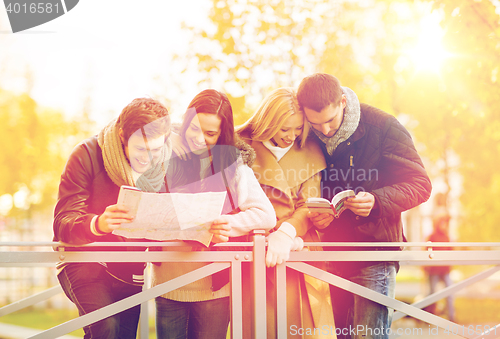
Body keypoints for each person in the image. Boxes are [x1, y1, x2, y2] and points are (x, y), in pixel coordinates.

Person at [297, 73, 432, 339]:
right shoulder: (306, 134)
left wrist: (377, 200)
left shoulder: (383, 126)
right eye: (316, 123)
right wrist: (319, 217)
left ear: (343, 102)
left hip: (375, 255)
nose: (324, 130)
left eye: (330, 120)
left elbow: (421, 184)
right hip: (332, 256)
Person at [152, 89, 276, 339]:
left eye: (210, 133)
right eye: (194, 128)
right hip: (168, 281)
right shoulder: (161, 155)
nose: (199, 138)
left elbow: (266, 214)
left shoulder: (234, 167)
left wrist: (229, 223)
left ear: (222, 134)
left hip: (214, 287)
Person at [53, 98, 172, 338]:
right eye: (140, 149)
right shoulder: (85, 154)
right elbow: (62, 222)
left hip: (131, 270)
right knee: (105, 330)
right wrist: (98, 224)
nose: (148, 158)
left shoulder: (165, 166)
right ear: (121, 136)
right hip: (85, 264)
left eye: (156, 150)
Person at [237, 87, 335, 338]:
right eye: (284, 128)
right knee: (261, 326)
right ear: (268, 122)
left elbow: (308, 205)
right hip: (254, 248)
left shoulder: (311, 151)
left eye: (298, 128)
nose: (292, 135)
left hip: (299, 245)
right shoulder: (240, 148)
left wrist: (286, 233)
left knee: (304, 326)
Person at [424, 192, 454, 321]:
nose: (444, 225)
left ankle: (452, 316)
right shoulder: (432, 236)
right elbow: (426, 251)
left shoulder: (447, 237)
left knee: (450, 292)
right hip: (434, 269)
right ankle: (429, 317)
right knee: (431, 294)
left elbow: (451, 251)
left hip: (445, 269)